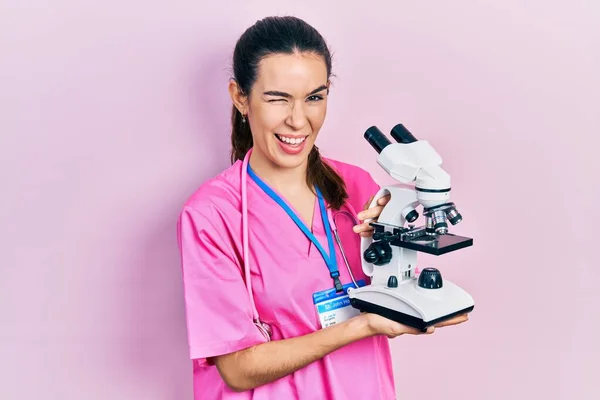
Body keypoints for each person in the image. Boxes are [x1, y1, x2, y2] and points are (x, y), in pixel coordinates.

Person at [177, 15, 468, 400]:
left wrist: (420, 287)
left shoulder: (356, 187)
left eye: (314, 97)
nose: (298, 120)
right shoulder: (212, 215)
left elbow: (401, 282)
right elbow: (237, 368)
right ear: (240, 96)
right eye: (277, 98)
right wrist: (361, 327)